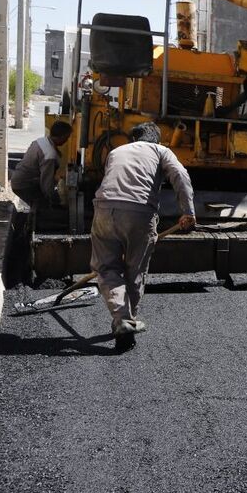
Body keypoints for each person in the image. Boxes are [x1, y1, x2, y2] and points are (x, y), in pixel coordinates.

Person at [90, 121, 196, 349]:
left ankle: (122, 320)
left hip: (103, 209)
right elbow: (180, 175)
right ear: (156, 140)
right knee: (134, 270)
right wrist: (187, 212)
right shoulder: (161, 151)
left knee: (106, 269)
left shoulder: (116, 151)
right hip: (139, 213)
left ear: (133, 139)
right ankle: (127, 322)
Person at [10, 121, 73, 211]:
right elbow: (46, 182)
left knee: (40, 205)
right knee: (43, 209)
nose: (66, 141)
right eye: (66, 138)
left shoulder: (41, 141)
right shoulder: (49, 155)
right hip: (24, 184)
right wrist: (54, 200)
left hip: (18, 179)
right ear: (61, 137)